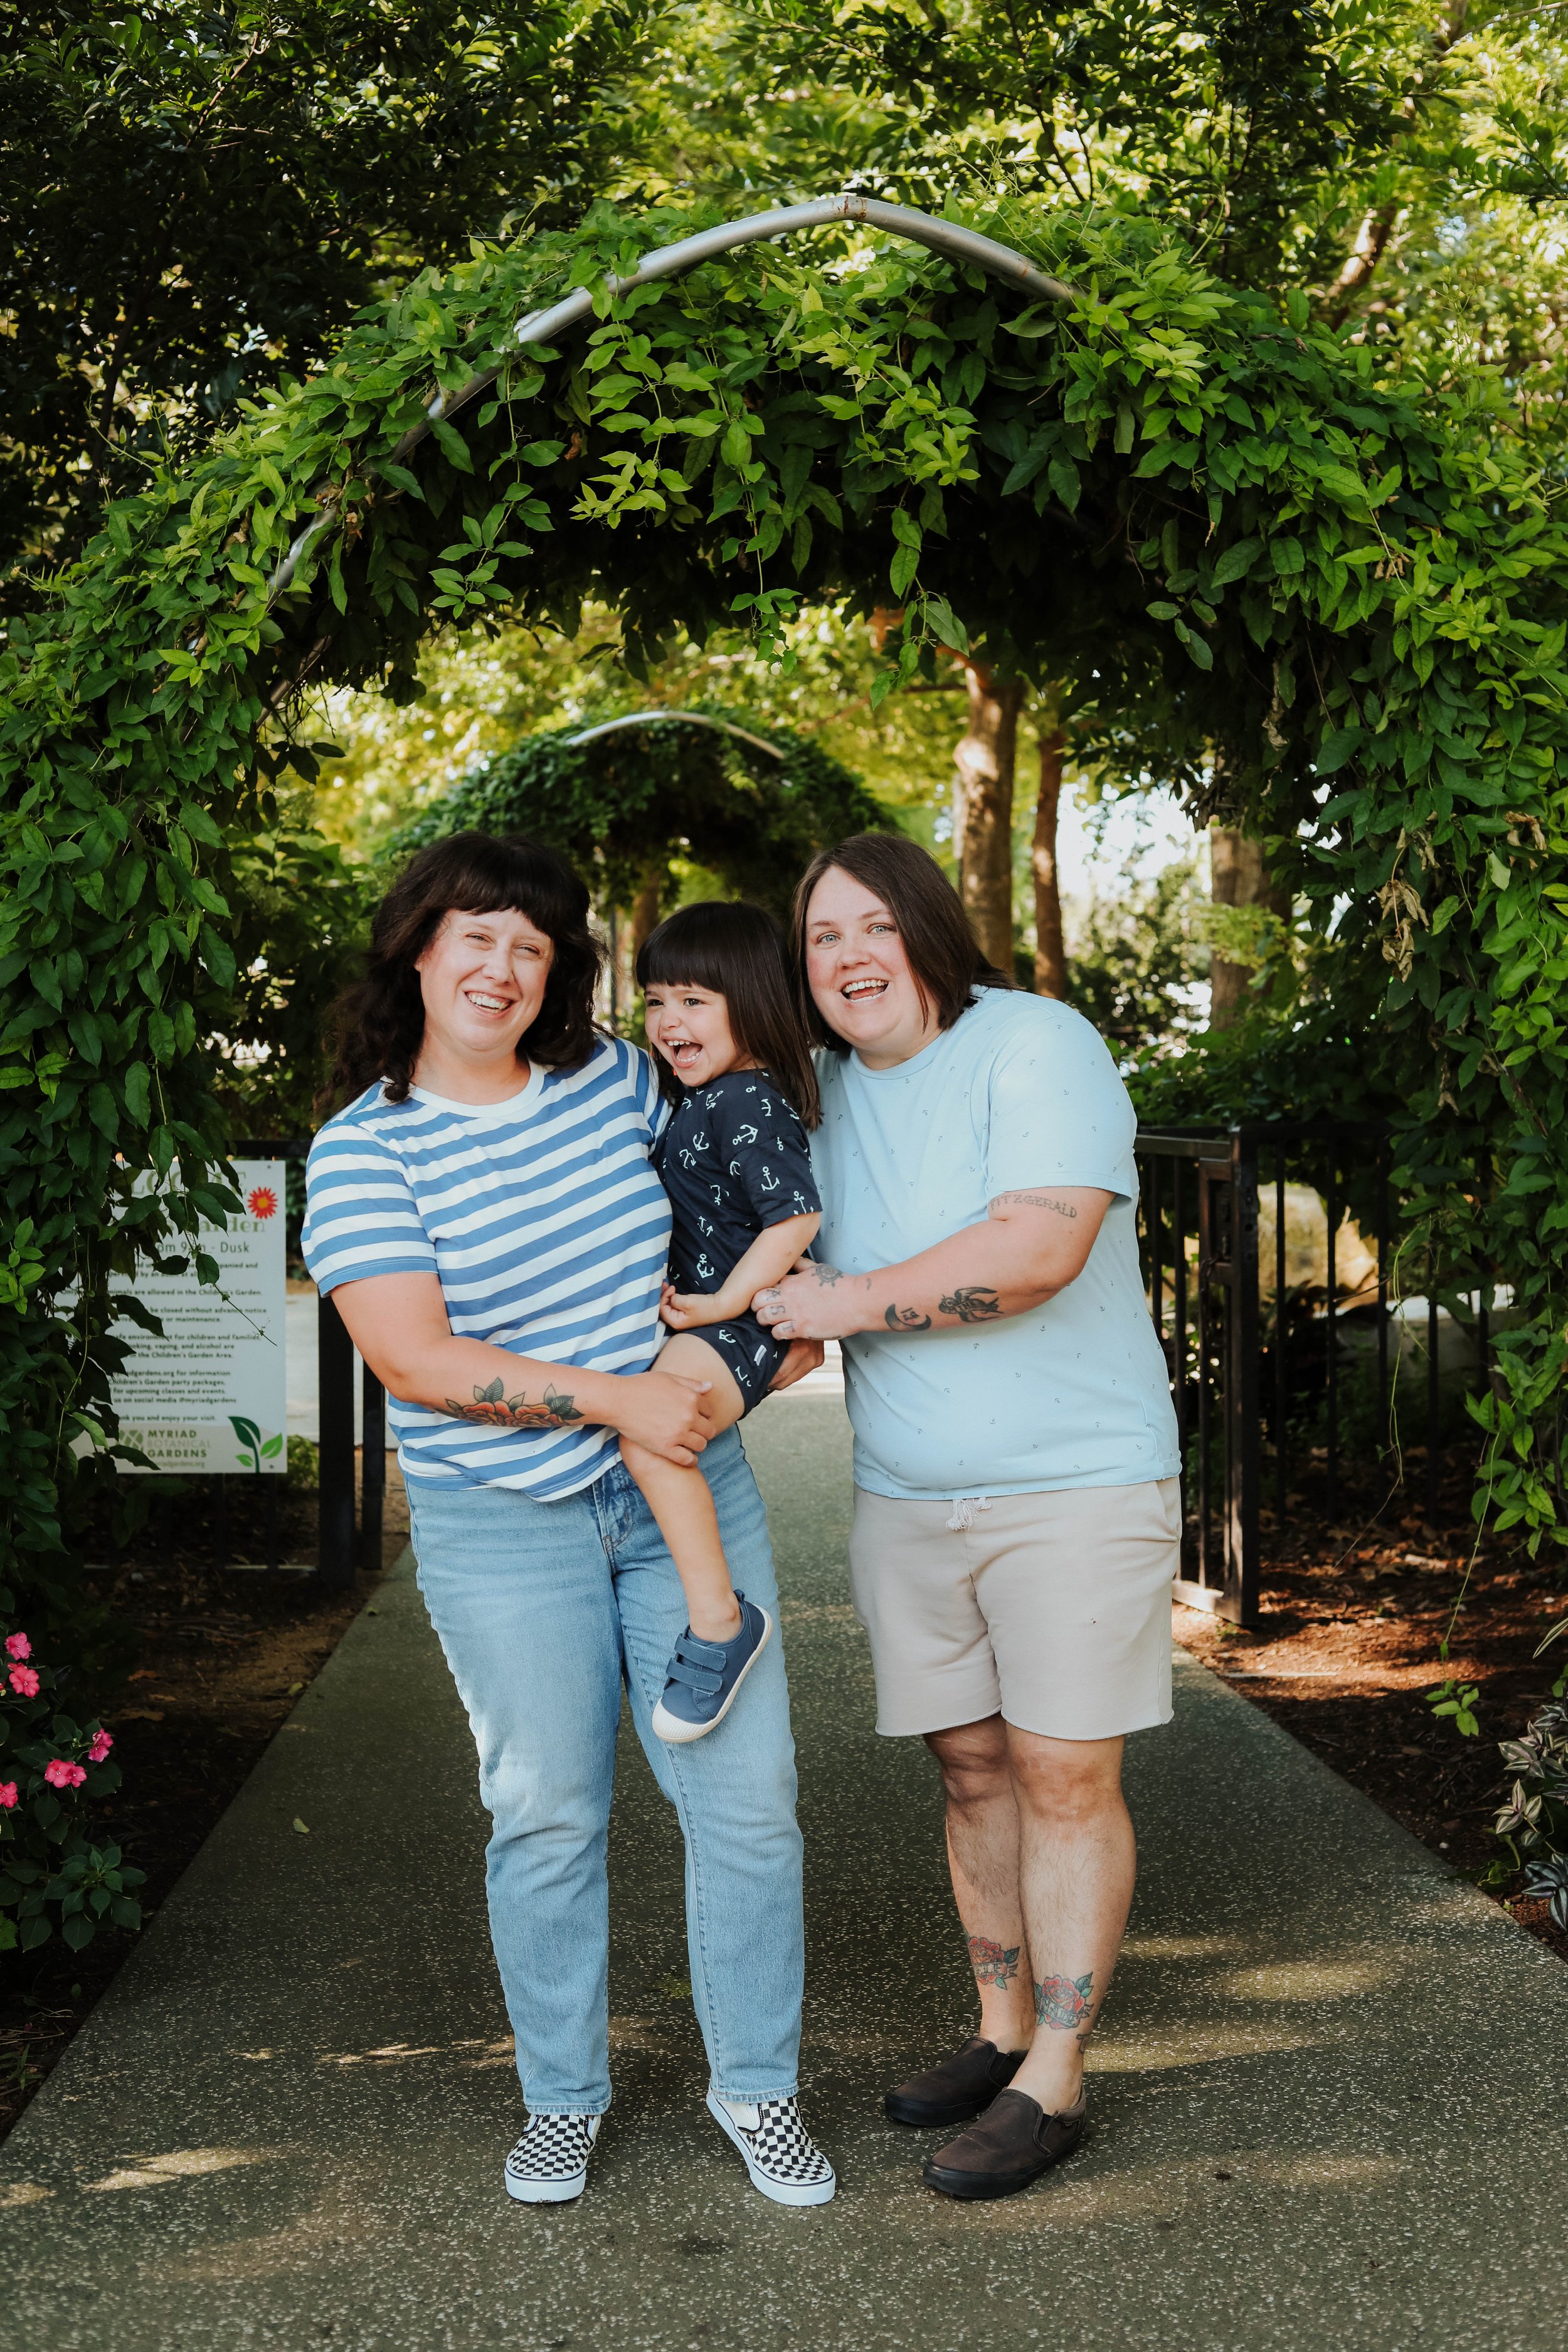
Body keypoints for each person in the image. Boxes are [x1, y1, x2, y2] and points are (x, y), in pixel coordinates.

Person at [301, 832, 836, 2210]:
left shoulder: (615, 1080)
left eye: (530, 947)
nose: (501, 967)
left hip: (681, 1495)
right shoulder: (362, 1151)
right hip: (502, 1521)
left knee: (748, 1805)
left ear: (557, 973)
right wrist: (617, 1399)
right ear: (420, 949)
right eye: (475, 936)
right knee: (543, 1815)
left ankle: (757, 2087)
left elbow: (745, 1185)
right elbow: (416, 1360)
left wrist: (759, 1350)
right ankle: (561, 2099)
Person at [755, 831, 1180, 2205]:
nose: (850, 957)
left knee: (1063, 1774)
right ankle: (1000, 2031)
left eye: (874, 925)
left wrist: (838, 1303)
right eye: (823, 937)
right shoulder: (814, 1091)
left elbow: (1039, 1247)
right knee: (973, 1768)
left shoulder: (1035, 1044)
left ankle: (1057, 2071)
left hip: (1076, 1483)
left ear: (928, 928)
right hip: (906, 1494)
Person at [627, 901, 823, 1744]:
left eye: (694, 1001)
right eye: (656, 1000)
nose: (669, 1021)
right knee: (650, 1431)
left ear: (752, 1000)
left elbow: (796, 1217)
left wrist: (725, 1303)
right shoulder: (704, 1096)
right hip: (715, 1321)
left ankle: (719, 1622)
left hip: (731, 1323)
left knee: (648, 1433)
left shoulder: (745, 1098)